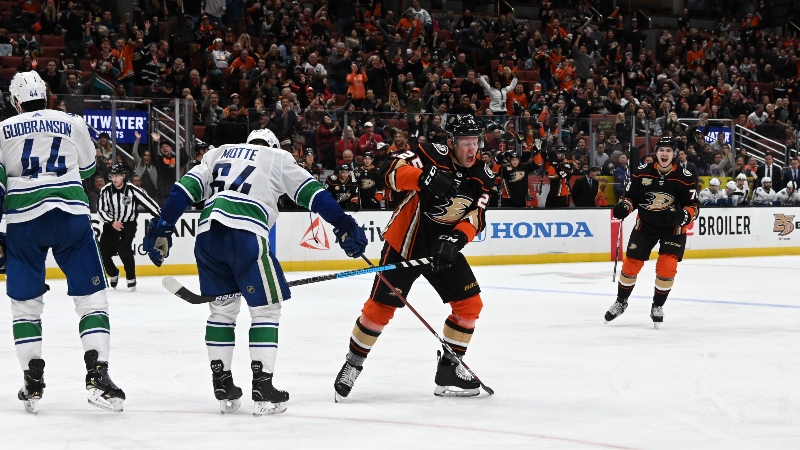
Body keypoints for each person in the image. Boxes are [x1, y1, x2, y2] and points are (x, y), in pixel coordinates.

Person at [142, 128, 367, 415]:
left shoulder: (218, 151)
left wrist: (163, 226)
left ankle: (222, 382)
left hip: (208, 236)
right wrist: (344, 224)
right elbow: (316, 196)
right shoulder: (277, 156)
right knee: (266, 310)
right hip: (245, 235)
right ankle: (263, 386)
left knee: (221, 313)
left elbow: (181, 192)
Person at [333, 115, 495, 400]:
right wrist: (422, 177)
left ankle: (449, 369)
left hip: (443, 248)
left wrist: (457, 239)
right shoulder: (429, 153)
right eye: (465, 143)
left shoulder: (484, 174)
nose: (472, 149)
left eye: (476, 142)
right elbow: (389, 172)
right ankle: (353, 364)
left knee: (470, 304)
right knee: (379, 309)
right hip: (406, 243)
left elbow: (476, 215)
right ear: (451, 142)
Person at [0, 72, 125, 413]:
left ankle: (32, 379)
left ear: (15, 102)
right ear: (47, 95)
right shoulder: (72, 121)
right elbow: (87, 170)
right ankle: (98, 374)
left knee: (26, 306)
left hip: (23, 220)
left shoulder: (2, 129)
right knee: (91, 299)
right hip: (70, 215)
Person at [605, 137, 700, 329]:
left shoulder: (686, 176)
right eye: (661, 150)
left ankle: (657, 305)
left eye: (669, 150)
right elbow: (631, 198)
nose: (665, 154)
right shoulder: (641, 173)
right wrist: (625, 206)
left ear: (675, 154)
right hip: (645, 226)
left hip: (673, 228)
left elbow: (694, 207)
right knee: (631, 266)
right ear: (656, 152)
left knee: (667, 268)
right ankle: (621, 302)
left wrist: (683, 216)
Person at [97, 163, 161, 292]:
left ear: (123, 176)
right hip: (111, 224)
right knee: (102, 252)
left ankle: (131, 278)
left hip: (128, 224)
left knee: (123, 248)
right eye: (113, 176)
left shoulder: (132, 189)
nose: (114, 179)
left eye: (117, 176)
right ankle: (113, 273)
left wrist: (161, 217)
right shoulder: (105, 190)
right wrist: (111, 221)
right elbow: (101, 210)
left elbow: (149, 203)